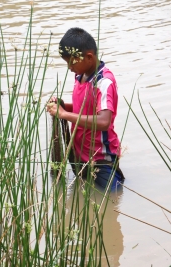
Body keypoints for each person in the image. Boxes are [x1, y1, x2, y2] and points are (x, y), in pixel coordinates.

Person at [47, 27, 124, 190]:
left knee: (112, 197)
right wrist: (63, 106)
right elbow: (84, 108)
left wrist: (65, 114)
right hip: (81, 155)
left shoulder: (103, 82)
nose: (69, 67)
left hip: (101, 159)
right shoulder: (80, 77)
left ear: (89, 57)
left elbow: (103, 121)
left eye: (71, 62)